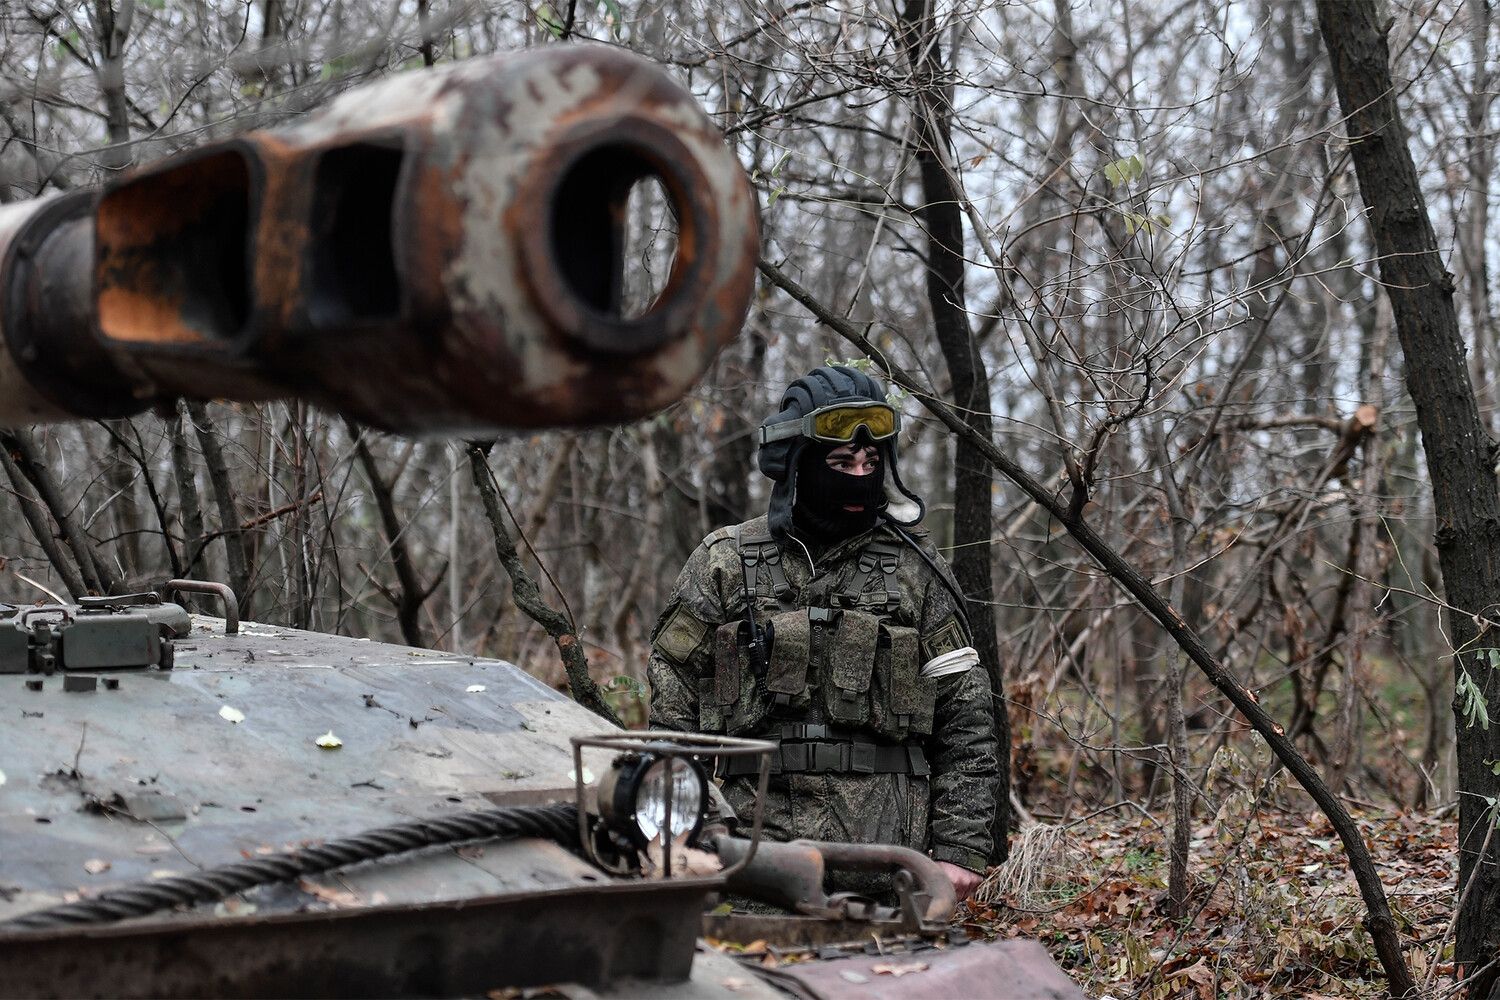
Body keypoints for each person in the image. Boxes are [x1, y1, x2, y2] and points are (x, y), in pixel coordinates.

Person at [647, 365, 997, 900]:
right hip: (752, 861)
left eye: (870, 461)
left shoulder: (916, 569)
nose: (858, 474)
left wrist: (958, 850)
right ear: (798, 465)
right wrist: (692, 830)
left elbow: (966, 719)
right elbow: (672, 712)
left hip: (891, 867)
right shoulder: (725, 563)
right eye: (839, 461)